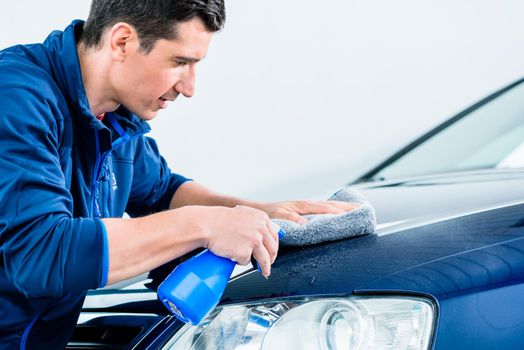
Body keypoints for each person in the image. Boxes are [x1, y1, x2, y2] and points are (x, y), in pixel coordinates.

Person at [0, 0, 357, 347]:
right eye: (179, 62)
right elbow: (41, 252)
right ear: (122, 41)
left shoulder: (112, 115)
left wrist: (255, 212)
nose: (189, 88)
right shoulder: (15, 96)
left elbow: (161, 192)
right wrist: (204, 225)